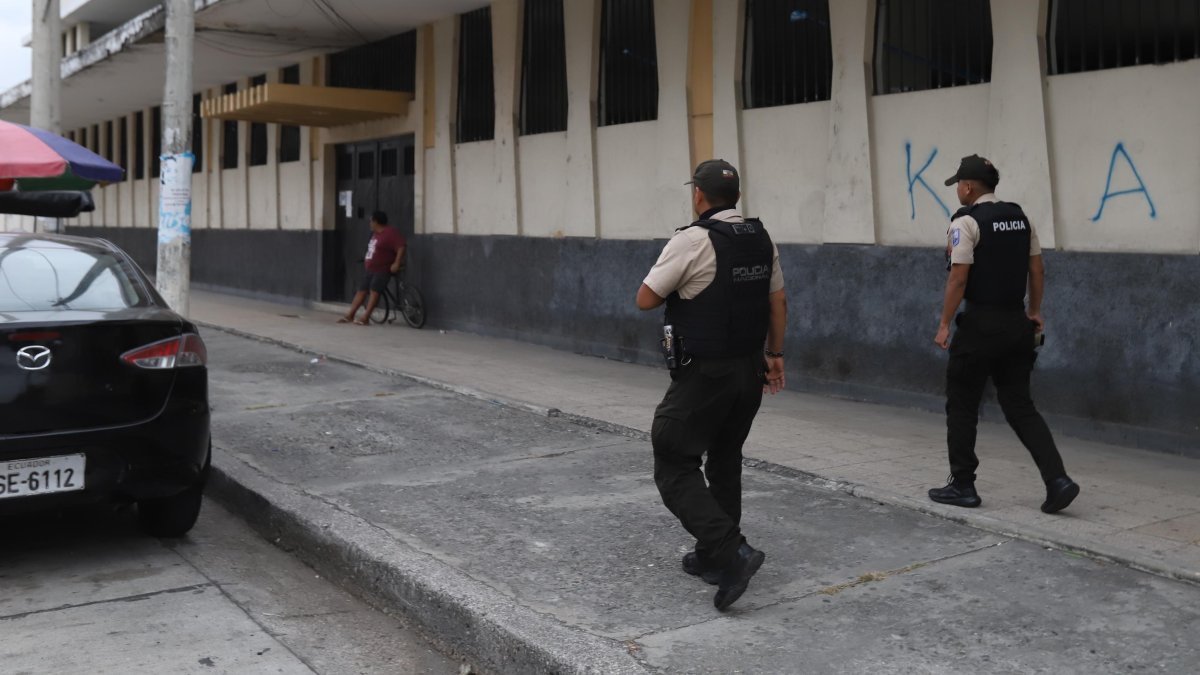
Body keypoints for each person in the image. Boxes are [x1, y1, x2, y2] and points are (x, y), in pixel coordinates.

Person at [636, 159, 787, 611]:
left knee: (672, 458)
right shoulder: (760, 237)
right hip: (748, 371)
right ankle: (712, 559)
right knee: (724, 459)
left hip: (706, 373)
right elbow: (777, 302)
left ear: (698, 196)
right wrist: (775, 356)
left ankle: (731, 553)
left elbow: (646, 298)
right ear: (735, 196)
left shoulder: (692, 240)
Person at [930, 154, 1080, 514]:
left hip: (980, 325)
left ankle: (963, 485)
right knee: (1020, 404)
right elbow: (1038, 269)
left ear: (967, 187)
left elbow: (959, 277)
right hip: (1016, 324)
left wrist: (945, 322)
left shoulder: (965, 221)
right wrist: (1034, 311)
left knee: (963, 402)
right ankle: (1057, 480)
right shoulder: (1020, 217)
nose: (958, 193)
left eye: (959, 187)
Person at [339, 211, 405, 326]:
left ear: (376, 222)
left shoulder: (390, 233)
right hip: (370, 269)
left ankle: (365, 317)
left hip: (382, 269)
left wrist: (396, 262)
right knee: (361, 291)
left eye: (371, 221)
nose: (370, 223)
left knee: (374, 291)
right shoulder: (375, 234)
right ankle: (350, 315)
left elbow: (401, 247)